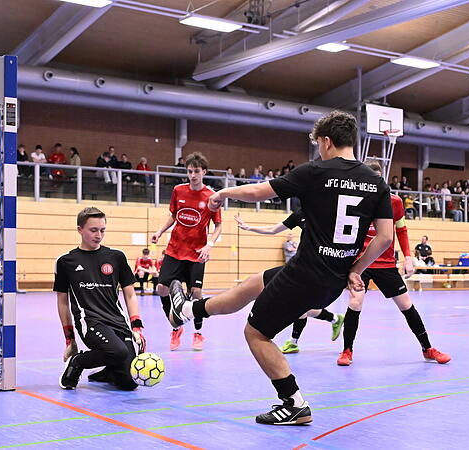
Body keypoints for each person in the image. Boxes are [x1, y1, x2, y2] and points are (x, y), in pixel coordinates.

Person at [164, 111, 393, 425]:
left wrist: (222, 192)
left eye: (319, 145)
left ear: (326, 141)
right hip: (331, 278)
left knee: (256, 333)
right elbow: (384, 238)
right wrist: (356, 269)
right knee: (254, 284)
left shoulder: (316, 171)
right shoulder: (377, 182)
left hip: (306, 275)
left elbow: (259, 192)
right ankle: (189, 310)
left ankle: (293, 402)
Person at [336, 161, 450, 367]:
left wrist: (407, 257)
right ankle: (347, 350)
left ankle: (427, 348)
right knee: (355, 303)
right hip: (361, 263)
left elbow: (401, 231)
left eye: (378, 180)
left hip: (386, 263)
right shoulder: (354, 201)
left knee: (406, 305)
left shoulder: (395, 202)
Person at [55, 207, 146, 390]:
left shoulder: (116, 257)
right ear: (80, 229)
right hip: (90, 322)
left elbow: (129, 294)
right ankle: (79, 361)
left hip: (118, 322)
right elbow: (62, 301)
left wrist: (136, 326)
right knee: (117, 351)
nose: (99, 235)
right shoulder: (66, 262)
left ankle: (108, 372)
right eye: (93, 230)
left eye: (102, 230)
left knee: (129, 383)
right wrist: (70, 339)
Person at [233, 212, 344, 355]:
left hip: (321, 272)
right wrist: (249, 228)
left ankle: (298, 339)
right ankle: (331, 320)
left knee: (301, 307)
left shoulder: (329, 212)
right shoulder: (300, 214)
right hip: (299, 269)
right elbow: (273, 229)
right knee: (301, 307)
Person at [151, 152, 222, 351]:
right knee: (162, 289)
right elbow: (173, 216)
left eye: (196, 171)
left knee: (196, 292)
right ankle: (176, 325)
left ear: (204, 172)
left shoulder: (211, 197)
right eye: (190, 171)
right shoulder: (178, 191)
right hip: (174, 249)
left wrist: (210, 245)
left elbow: (218, 226)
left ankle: (198, 333)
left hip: (197, 252)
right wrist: (159, 231)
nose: (192, 175)